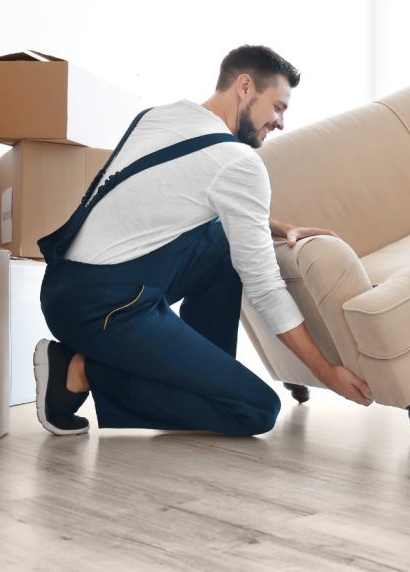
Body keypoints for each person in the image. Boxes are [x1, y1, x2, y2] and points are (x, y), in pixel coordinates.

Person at [33, 45, 373, 436]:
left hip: (66, 289)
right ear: (245, 86)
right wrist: (326, 371)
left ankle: (204, 375)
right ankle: (77, 372)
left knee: (224, 241)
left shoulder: (159, 117)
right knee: (256, 409)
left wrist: (272, 225)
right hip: (108, 312)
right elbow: (264, 288)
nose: (280, 122)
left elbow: (168, 200)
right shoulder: (238, 162)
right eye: (278, 107)